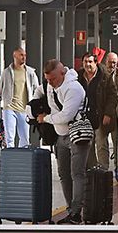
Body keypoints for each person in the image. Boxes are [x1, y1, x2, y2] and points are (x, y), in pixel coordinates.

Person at [36, 58, 89, 222]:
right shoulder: (51, 86)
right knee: (63, 174)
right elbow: (39, 92)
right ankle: (70, 209)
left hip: (77, 135)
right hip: (60, 136)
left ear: (62, 73)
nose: (50, 83)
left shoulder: (74, 88)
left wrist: (46, 119)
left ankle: (76, 212)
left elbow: (66, 115)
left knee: (77, 173)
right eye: (47, 80)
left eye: (53, 79)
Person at [0, 47, 40, 148]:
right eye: (21, 55)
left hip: (24, 109)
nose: (24, 57)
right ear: (15, 56)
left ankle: (22, 157)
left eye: (24, 55)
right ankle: (10, 157)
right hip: (9, 108)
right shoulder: (6, 72)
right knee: (9, 138)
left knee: (25, 138)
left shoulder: (30, 72)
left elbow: (37, 89)